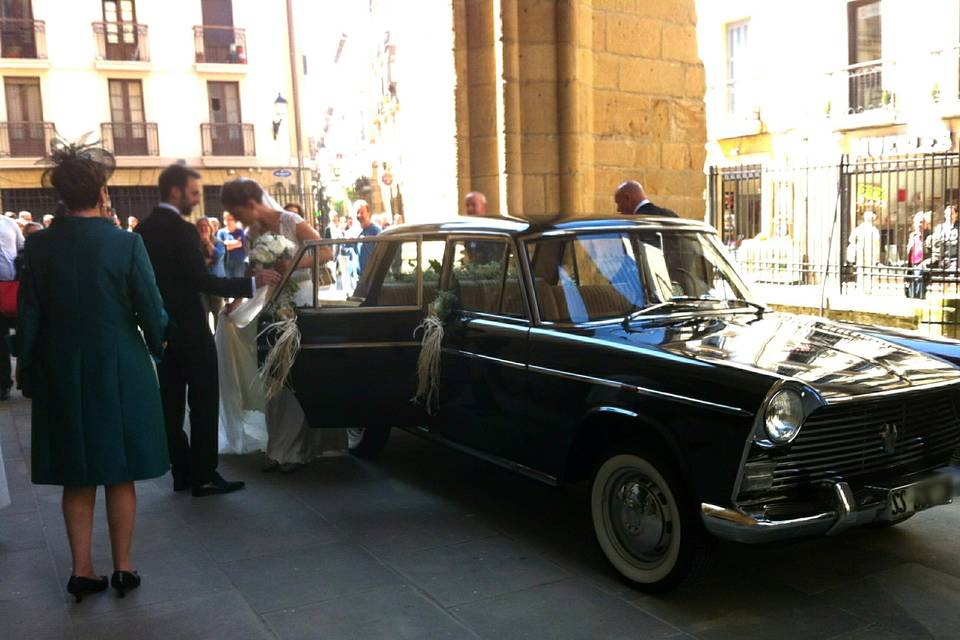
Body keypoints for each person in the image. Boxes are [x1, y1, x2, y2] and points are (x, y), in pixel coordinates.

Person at [18, 142, 169, 602]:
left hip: (62, 366)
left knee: (77, 473)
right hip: (120, 363)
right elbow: (152, 311)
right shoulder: (126, 243)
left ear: (61, 196)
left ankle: (82, 570)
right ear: (102, 193)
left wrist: (28, 369)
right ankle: (123, 567)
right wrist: (158, 345)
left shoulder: (39, 246)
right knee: (119, 471)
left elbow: (29, 316)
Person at [136, 164, 281, 496]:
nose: (196, 199)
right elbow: (199, 281)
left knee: (170, 404)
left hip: (160, 330)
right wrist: (251, 282)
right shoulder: (183, 230)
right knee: (203, 400)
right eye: (194, 192)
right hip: (189, 327)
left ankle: (181, 472)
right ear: (176, 192)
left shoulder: (143, 229)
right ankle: (203, 474)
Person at [220, 179, 343, 471]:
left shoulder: (291, 221)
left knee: (297, 375)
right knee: (275, 376)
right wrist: (237, 300)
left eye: (238, 213)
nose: (238, 220)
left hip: (301, 302)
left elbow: (326, 251)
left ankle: (294, 450)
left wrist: (293, 264)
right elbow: (253, 271)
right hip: (273, 306)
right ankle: (282, 447)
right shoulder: (253, 233)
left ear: (251, 204)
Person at [0, 214, 23, 401]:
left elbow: (22, 247)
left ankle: (26, 377)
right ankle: (3, 384)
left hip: (13, 288)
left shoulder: (8, 223)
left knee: (24, 333)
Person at [196, 217, 226, 326]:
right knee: (203, 313)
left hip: (216, 282)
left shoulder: (218, 242)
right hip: (200, 283)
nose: (203, 228)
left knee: (218, 313)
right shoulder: (194, 243)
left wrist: (208, 242)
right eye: (200, 226)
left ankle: (219, 339)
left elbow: (217, 256)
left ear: (210, 228)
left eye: (206, 226)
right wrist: (206, 261)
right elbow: (193, 261)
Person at [846, 210, 881, 293]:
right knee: (869, 270)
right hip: (870, 252)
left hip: (860, 251)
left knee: (860, 269)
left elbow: (851, 239)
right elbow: (877, 244)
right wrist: (877, 257)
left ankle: (861, 287)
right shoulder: (874, 230)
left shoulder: (859, 229)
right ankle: (868, 288)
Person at [614, 180, 679, 217]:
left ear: (628, 198)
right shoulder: (670, 215)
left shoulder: (637, 222)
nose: (618, 209)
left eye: (619, 203)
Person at [217, 211, 247, 278]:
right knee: (228, 283)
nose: (230, 221)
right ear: (224, 221)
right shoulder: (221, 232)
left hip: (239, 262)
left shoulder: (240, 231)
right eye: (228, 219)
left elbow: (241, 244)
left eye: (232, 219)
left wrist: (226, 243)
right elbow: (221, 247)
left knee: (239, 283)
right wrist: (235, 242)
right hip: (226, 262)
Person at [355, 199, 380, 274]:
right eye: (357, 212)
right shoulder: (357, 232)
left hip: (371, 276)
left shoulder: (375, 231)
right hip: (360, 277)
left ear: (369, 213)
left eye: (362, 212)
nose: (359, 215)